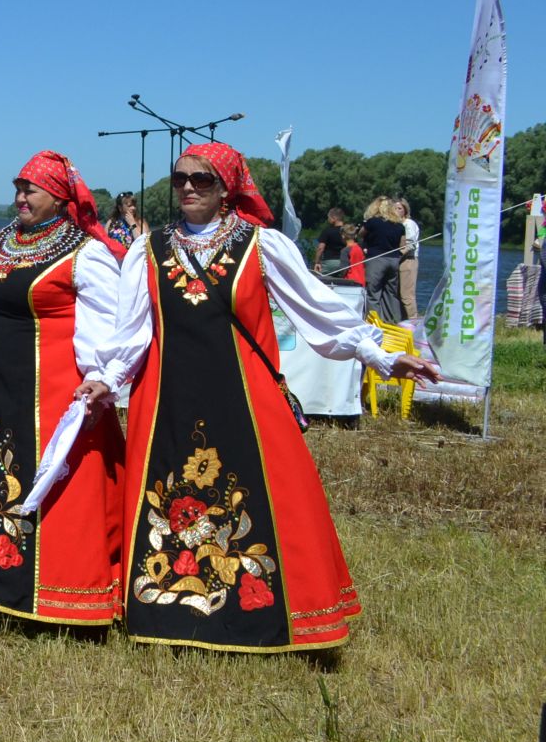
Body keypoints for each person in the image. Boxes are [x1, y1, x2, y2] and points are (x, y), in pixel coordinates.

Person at [90, 143, 438, 653]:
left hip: (244, 398)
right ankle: (168, 613)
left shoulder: (262, 245)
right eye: (180, 178)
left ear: (226, 188)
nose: (188, 187)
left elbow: (316, 309)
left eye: (202, 180)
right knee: (170, 492)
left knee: (259, 494)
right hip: (167, 396)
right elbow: (132, 330)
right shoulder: (149, 248)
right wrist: (107, 377)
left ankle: (256, 611)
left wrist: (381, 354)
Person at [0, 150, 126, 627]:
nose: (20, 197)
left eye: (30, 189)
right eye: (18, 188)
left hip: (50, 389)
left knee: (54, 480)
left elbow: (109, 319)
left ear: (57, 197)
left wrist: (98, 375)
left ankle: (62, 594)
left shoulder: (84, 251)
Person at [359, 196, 406, 323]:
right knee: (391, 293)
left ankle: (374, 322)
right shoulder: (399, 226)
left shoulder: (373, 222)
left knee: (373, 293)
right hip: (394, 260)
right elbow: (403, 245)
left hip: (376, 259)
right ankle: (393, 321)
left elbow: (361, 234)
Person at [395, 198, 420, 320]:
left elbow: (410, 245)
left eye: (399, 208)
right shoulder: (395, 225)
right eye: (394, 208)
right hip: (398, 260)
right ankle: (402, 319)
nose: (396, 211)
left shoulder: (408, 224)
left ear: (405, 210)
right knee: (398, 294)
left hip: (408, 260)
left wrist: (398, 255)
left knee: (407, 295)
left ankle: (413, 320)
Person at [313, 207, 348, 278]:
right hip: (344, 263)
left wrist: (317, 262)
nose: (328, 219)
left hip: (329, 262)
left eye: (329, 217)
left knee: (318, 279)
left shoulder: (327, 231)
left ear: (334, 218)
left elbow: (320, 248)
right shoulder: (348, 232)